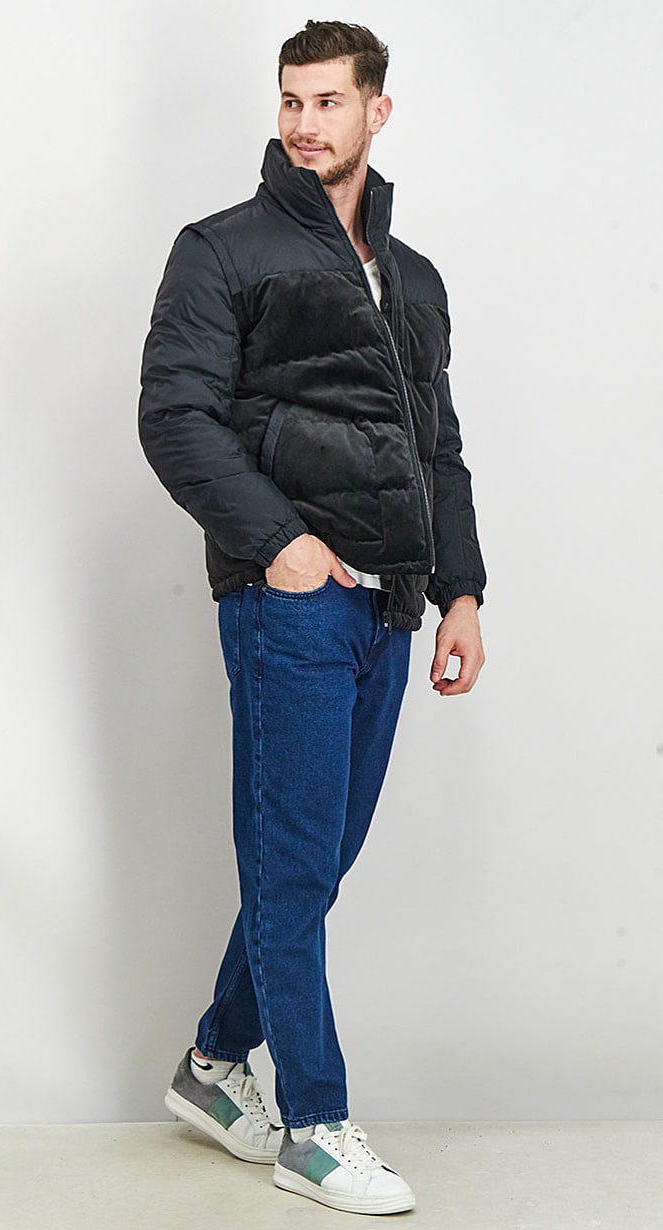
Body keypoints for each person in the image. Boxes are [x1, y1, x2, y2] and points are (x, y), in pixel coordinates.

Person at [138, 19, 486, 1216]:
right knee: (292, 862)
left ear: (375, 112)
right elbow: (174, 416)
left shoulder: (414, 277)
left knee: (316, 860)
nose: (304, 122)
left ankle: (211, 1063)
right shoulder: (221, 250)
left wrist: (461, 591)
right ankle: (317, 1127)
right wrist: (279, 544)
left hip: (390, 607)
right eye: (291, 100)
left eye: (328, 101)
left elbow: (437, 449)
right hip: (286, 604)